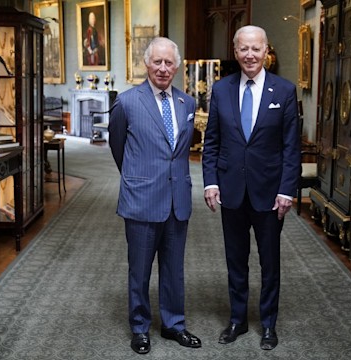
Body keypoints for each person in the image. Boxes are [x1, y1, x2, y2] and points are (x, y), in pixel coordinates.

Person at [201, 25, 300, 351]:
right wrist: (211, 182)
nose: (250, 55)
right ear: (235, 50)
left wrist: (287, 189)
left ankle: (268, 323)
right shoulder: (222, 89)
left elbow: (291, 147)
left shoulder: (284, 91)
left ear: (266, 49)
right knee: (235, 260)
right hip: (231, 191)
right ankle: (238, 319)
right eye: (243, 49)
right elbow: (212, 142)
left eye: (256, 48)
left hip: (270, 194)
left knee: (269, 263)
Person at [108, 37, 200, 355]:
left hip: (178, 200)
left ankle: (174, 324)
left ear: (177, 67)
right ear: (146, 64)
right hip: (141, 199)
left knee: (174, 268)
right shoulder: (127, 102)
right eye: (157, 62)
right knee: (140, 269)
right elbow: (117, 145)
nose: (163, 68)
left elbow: (182, 151)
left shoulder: (187, 104)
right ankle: (139, 327)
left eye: (168, 63)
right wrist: (137, 177)